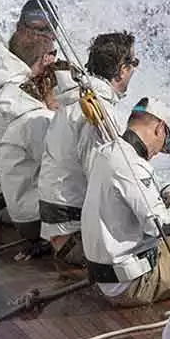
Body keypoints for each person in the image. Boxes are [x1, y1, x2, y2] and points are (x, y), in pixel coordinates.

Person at [79, 99, 170, 306]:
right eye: (163, 143)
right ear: (159, 128)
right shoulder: (131, 164)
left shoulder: (109, 151)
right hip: (133, 282)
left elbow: (152, 183)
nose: (159, 151)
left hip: (113, 272)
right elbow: (158, 225)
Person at [37, 32, 137, 250]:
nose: (134, 70)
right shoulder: (97, 111)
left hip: (59, 225)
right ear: (121, 71)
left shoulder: (76, 99)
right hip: (72, 237)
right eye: (134, 63)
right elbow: (103, 181)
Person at [0, 1, 60, 223]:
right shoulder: (20, 102)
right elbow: (59, 152)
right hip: (5, 203)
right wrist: (49, 100)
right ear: (45, 59)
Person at [0, 87, 58, 254]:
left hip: (22, 212)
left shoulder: (21, 117)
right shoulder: (40, 120)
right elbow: (57, 167)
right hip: (35, 220)